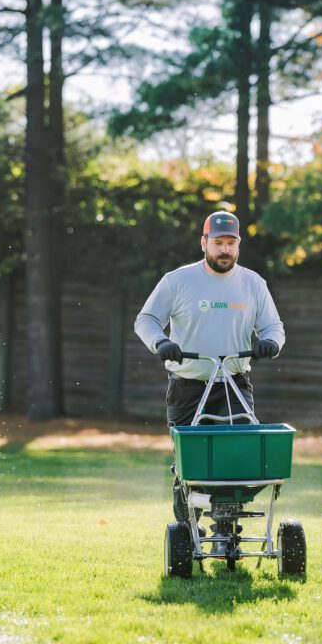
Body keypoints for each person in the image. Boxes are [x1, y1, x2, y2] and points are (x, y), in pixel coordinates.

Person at [134, 209, 285, 520]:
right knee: (192, 464)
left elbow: (274, 327)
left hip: (234, 385)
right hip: (187, 386)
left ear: (239, 245)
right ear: (204, 243)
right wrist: (161, 343)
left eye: (231, 243)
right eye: (218, 243)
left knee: (238, 457)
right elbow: (146, 320)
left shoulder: (253, 283)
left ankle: (226, 522)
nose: (224, 250)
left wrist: (271, 343)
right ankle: (188, 522)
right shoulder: (178, 281)